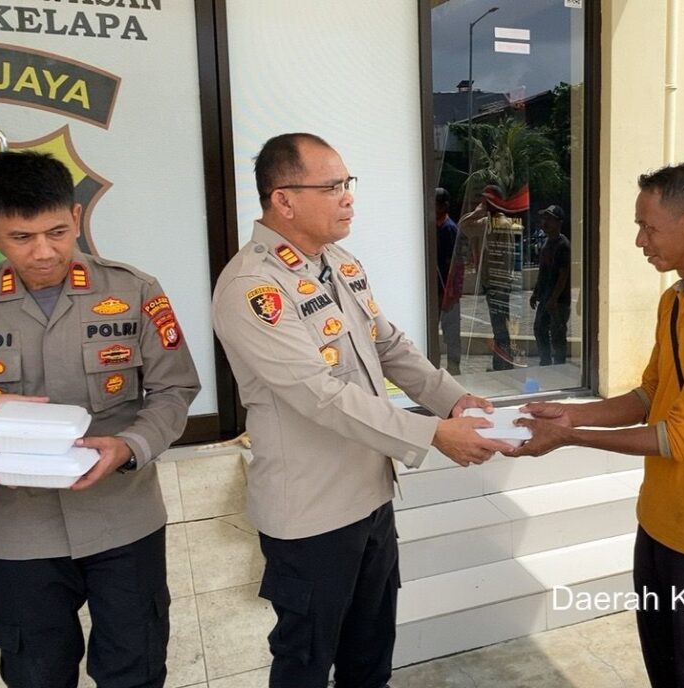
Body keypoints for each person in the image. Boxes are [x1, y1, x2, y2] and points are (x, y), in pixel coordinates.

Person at [212, 133, 514, 688]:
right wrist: (433, 434)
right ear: (284, 199)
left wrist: (453, 398)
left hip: (370, 496)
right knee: (305, 662)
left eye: (347, 183)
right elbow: (319, 394)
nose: (348, 197)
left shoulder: (339, 264)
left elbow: (389, 344)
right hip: (311, 514)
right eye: (332, 186)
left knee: (369, 657)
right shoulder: (253, 286)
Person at [0, 151, 201, 688]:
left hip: (124, 521)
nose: (45, 251)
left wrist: (129, 445)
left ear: (75, 215)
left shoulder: (133, 290)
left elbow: (176, 388)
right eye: (22, 237)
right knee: (35, 673)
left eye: (58, 231)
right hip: (17, 531)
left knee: (134, 669)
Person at [512, 163, 684, 688]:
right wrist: (570, 413)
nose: (639, 240)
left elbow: (680, 435)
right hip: (657, 522)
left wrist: (569, 437)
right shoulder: (675, 299)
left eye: (649, 226)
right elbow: (649, 397)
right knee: (665, 669)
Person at [458, 187, 517, 371]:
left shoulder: (501, 223)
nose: (483, 203)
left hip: (498, 284)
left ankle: (504, 364)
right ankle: (502, 363)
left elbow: (506, 258)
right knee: (498, 326)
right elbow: (464, 226)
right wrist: (478, 212)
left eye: (487, 201)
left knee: (501, 328)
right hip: (490, 283)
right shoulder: (485, 221)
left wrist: (499, 284)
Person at [530, 205, 571, 365]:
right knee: (539, 328)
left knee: (557, 333)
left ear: (558, 222)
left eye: (549, 219)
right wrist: (535, 293)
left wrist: (554, 298)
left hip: (558, 301)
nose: (545, 222)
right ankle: (545, 362)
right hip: (546, 297)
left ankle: (559, 364)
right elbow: (542, 271)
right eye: (544, 218)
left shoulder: (563, 245)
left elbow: (563, 275)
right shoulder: (546, 243)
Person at [435, 187, 466, 375]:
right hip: (436, 290)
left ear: (445, 206)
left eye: (436, 204)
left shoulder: (450, 229)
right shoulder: (433, 227)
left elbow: (456, 266)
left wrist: (451, 293)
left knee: (451, 332)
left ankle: (454, 367)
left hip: (448, 291)